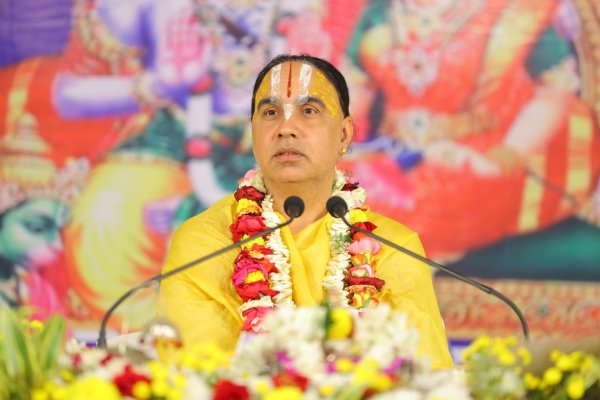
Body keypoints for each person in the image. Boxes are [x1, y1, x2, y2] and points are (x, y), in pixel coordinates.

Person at [158, 54, 453, 369]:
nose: (286, 128)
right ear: (253, 132)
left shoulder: (393, 249)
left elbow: (428, 380)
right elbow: (191, 378)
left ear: (344, 134)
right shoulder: (204, 244)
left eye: (309, 110)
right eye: (270, 112)